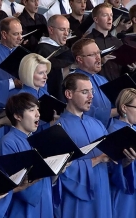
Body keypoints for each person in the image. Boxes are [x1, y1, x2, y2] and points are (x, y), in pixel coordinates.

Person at [54, 72, 113, 218]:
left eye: (91, 91)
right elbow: (59, 170)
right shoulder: (58, 129)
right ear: (69, 94)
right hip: (76, 200)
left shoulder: (97, 124)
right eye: (85, 92)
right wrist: (97, 160)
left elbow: (111, 161)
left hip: (103, 193)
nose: (91, 96)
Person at [0, 92, 54, 218]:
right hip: (24, 207)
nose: (38, 114)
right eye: (32, 110)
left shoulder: (38, 140)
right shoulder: (7, 142)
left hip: (45, 201)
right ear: (17, 116)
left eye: (38, 109)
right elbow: (14, 182)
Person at [71, 37, 118, 127]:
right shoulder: (74, 81)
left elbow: (114, 103)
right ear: (79, 59)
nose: (98, 58)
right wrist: (118, 110)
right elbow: (85, 111)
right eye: (92, 55)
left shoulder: (102, 79)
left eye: (98, 53)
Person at [107, 88, 136, 218]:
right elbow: (110, 168)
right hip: (123, 193)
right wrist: (125, 163)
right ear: (124, 108)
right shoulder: (114, 131)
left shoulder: (133, 128)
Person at [0, 17, 23, 106]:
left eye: (21, 33)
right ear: (4, 35)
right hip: (3, 104)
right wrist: (13, 83)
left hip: (23, 101)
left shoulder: (22, 52)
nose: (20, 37)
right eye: (15, 34)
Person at [35, 14, 74, 100]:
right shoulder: (43, 49)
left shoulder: (65, 48)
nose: (66, 34)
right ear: (51, 30)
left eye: (68, 30)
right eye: (62, 29)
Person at [86, 3, 124, 81]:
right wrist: (101, 62)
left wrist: (131, 68)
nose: (110, 19)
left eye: (111, 15)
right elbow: (83, 67)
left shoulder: (118, 42)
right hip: (97, 86)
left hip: (118, 87)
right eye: (105, 15)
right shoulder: (87, 42)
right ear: (96, 19)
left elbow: (122, 69)